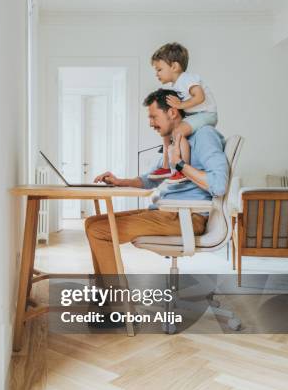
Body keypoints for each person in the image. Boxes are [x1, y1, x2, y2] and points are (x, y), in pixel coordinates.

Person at [86, 88, 228, 276]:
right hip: (167, 213)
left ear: (172, 112)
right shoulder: (175, 141)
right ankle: (104, 292)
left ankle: (114, 300)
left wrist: (180, 165)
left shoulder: (204, 135)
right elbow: (150, 179)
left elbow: (219, 184)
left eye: (154, 117)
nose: (151, 124)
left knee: (99, 230)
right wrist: (120, 181)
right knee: (91, 223)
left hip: (186, 218)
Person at [149, 42, 218, 183]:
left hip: (206, 114)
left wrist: (181, 104)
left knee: (178, 132)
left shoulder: (187, 79)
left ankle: (183, 170)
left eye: (159, 69)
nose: (156, 74)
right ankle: (166, 166)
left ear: (174, 66)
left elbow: (200, 97)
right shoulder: (176, 84)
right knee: (167, 134)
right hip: (194, 115)